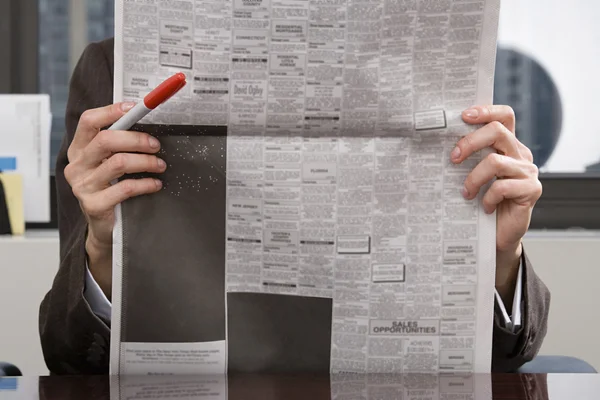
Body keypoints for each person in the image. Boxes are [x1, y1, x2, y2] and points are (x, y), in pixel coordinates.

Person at [39, 38, 550, 375]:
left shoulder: (440, 71)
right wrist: (103, 248)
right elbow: (66, 353)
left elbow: (510, 357)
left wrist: (500, 256)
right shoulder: (112, 69)